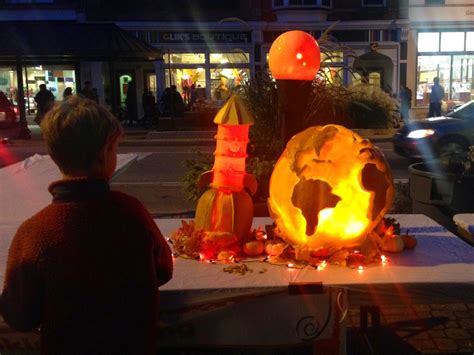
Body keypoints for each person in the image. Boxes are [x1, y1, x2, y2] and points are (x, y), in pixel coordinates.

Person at [1, 96, 173, 355]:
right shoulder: (131, 214)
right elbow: (163, 270)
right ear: (105, 153)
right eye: (115, 148)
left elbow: (20, 316)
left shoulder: (33, 233)